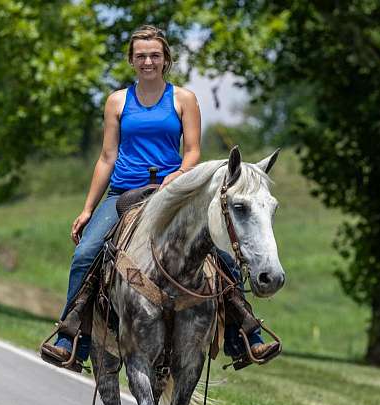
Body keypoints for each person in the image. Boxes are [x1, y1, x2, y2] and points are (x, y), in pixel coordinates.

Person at [41, 25, 278, 369]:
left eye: (154, 55)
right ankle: (72, 335)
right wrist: (88, 208)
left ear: (165, 59)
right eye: (140, 56)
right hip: (124, 192)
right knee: (85, 254)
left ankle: (244, 336)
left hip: (174, 192)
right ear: (131, 60)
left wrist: (177, 178)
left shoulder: (183, 99)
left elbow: (193, 151)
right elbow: (107, 157)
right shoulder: (117, 101)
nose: (147, 61)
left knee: (222, 255)